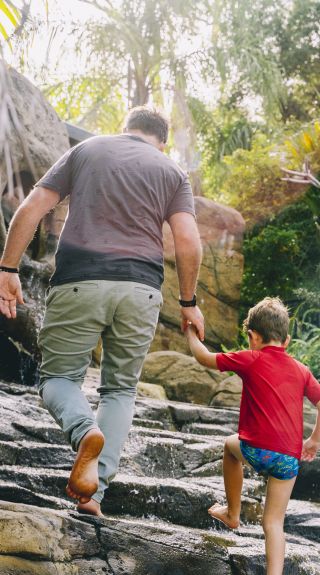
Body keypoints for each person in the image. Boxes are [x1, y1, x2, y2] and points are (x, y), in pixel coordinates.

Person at [0, 106, 204, 517]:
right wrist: (189, 303)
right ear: (160, 140)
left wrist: (7, 269)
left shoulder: (89, 149)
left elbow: (31, 207)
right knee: (120, 390)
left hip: (80, 279)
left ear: (124, 129)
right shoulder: (171, 172)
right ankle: (94, 493)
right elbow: (187, 240)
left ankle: (84, 431)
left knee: (58, 378)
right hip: (142, 290)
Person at [185, 297, 320, 575]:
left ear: (254, 337)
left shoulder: (250, 358)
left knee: (228, 445)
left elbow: (203, 357)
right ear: (287, 340)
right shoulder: (302, 370)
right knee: (273, 522)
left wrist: (189, 330)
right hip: (287, 460)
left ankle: (232, 513)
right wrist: (314, 439)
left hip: (255, 449)